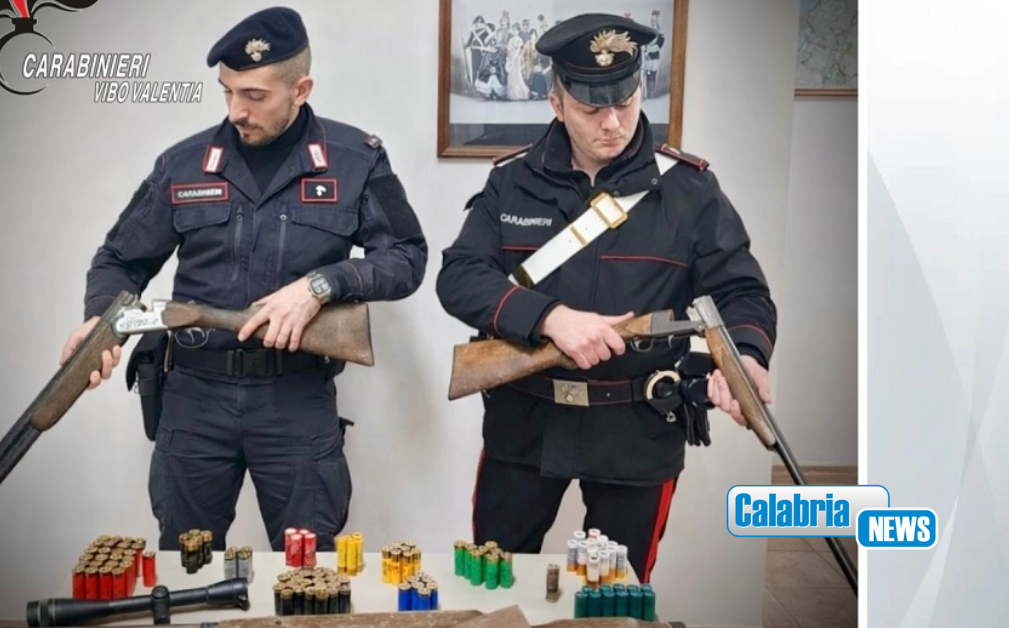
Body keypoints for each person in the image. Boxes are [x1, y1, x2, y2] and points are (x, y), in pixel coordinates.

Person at [62, 6, 428, 552]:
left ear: (300, 89)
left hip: (295, 396)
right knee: (185, 561)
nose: (237, 110)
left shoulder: (356, 160)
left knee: (308, 566)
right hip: (194, 396)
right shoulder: (183, 164)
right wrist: (100, 321)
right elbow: (120, 259)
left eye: (255, 95)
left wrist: (321, 286)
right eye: (228, 92)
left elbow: (406, 256)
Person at [435, 13, 776, 583]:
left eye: (624, 101)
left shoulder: (689, 190)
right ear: (556, 103)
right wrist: (550, 317)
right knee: (490, 585)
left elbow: (741, 291)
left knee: (616, 599)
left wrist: (745, 356)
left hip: (637, 430)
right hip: (525, 424)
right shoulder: (512, 181)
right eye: (591, 107)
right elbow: (460, 276)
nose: (612, 122)